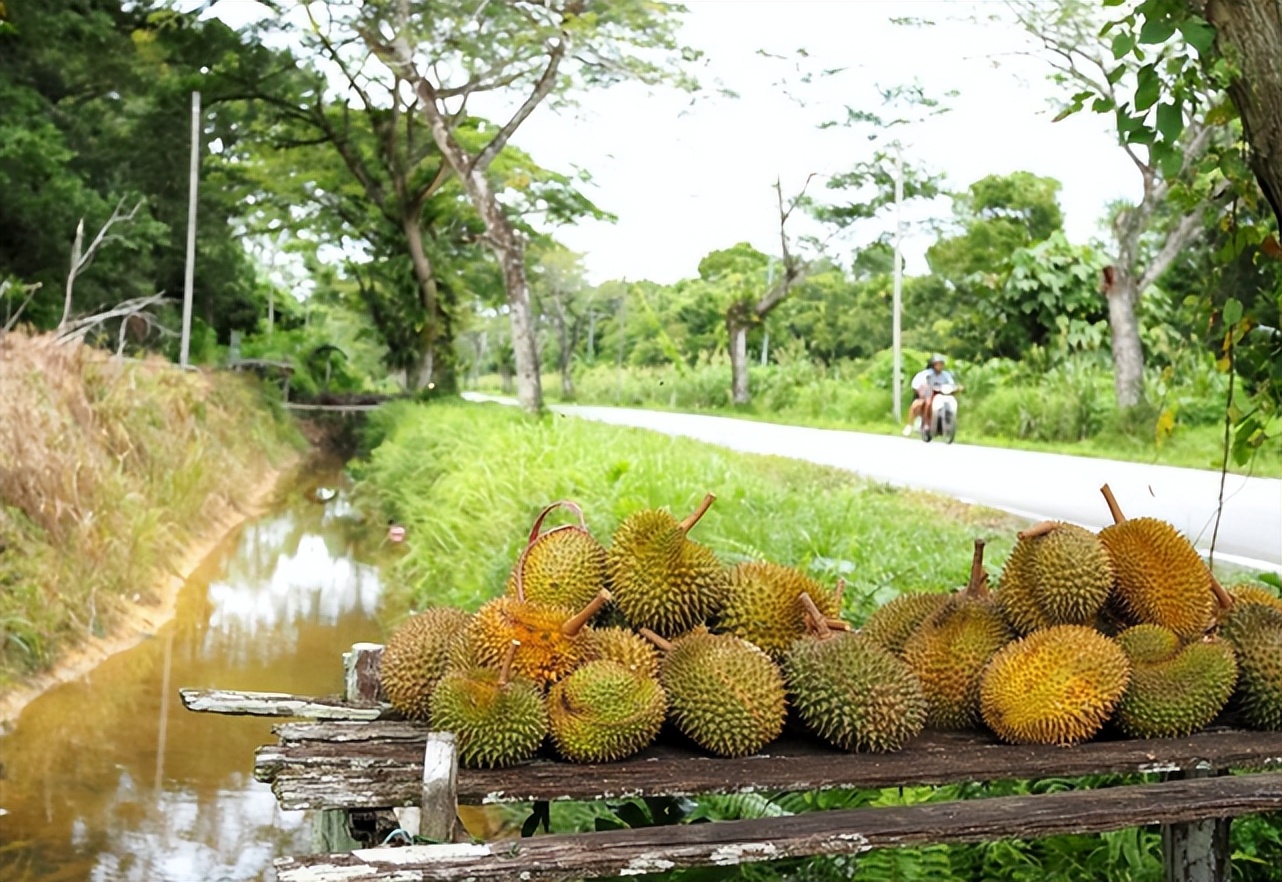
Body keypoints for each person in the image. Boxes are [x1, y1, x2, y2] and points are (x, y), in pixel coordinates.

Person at [903, 354, 958, 436]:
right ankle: (921, 424)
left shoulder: (946, 375)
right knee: (920, 404)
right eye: (938, 364)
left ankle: (948, 423)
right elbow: (916, 384)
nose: (940, 366)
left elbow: (952, 384)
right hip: (928, 396)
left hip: (942, 396)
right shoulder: (925, 374)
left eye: (941, 364)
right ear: (933, 365)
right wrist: (923, 391)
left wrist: (956, 388)